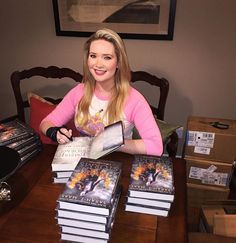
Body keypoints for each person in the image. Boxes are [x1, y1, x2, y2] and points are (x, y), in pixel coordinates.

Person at [40, 28, 163, 156]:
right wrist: (54, 132)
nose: (98, 64)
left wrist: (112, 142)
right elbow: (46, 123)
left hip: (119, 161)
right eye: (93, 56)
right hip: (84, 160)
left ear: (118, 63)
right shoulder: (79, 91)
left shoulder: (134, 99)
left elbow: (156, 147)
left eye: (107, 57)